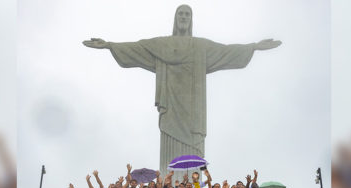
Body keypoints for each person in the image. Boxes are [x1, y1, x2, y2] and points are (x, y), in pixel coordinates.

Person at [83, 5, 281, 174]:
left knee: (193, 152)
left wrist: (253, 47)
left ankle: (192, 186)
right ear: (175, 19)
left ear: (191, 19)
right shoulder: (162, 44)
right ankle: (169, 183)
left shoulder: (201, 46)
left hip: (193, 109)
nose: (184, 17)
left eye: (187, 14)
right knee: (170, 145)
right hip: (170, 103)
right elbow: (138, 48)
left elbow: (227, 50)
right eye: (181, 14)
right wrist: (109, 45)